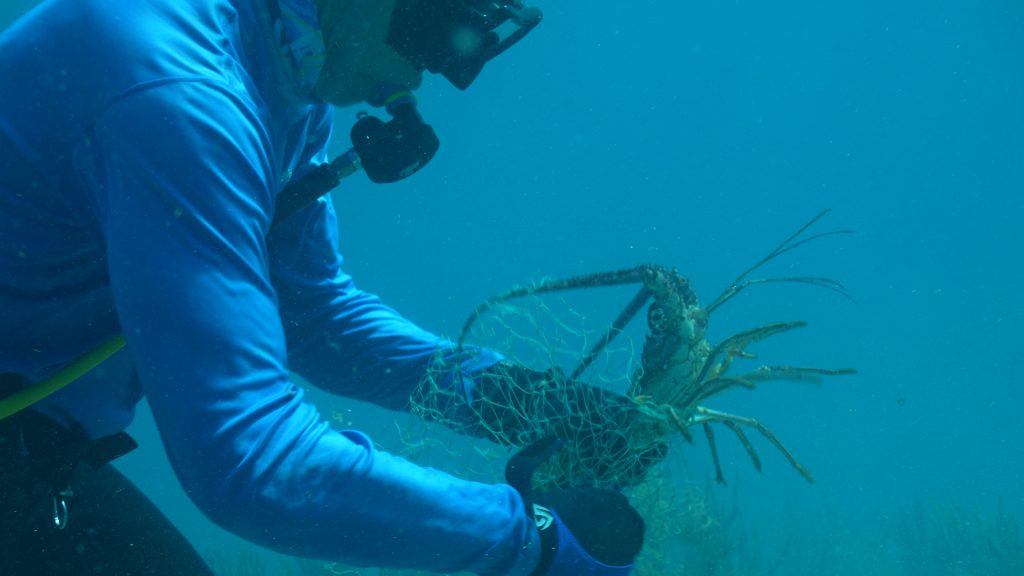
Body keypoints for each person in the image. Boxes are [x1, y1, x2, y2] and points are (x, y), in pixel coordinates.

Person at [0, 0, 647, 574]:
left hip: (30, 447)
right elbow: (251, 463)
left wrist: (522, 400)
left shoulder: (275, 74)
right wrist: (529, 541)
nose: (422, 74)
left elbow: (313, 317)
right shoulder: (184, 96)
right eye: (429, 26)